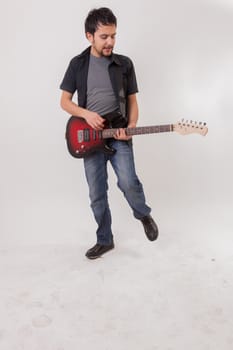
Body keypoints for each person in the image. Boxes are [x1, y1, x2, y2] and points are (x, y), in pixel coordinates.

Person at [60, 7, 159, 259]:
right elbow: (65, 102)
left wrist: (132, 126)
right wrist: (86, 114)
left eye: (113, 35)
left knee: (128, 182)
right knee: (96, 194)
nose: (110, 42)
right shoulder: (78, 64)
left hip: (119, 133)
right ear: (89, 36)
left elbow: (133, 100)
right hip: (90, 138)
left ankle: (142, 213)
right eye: (104, 36)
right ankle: (105, 239)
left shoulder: (124, 64)